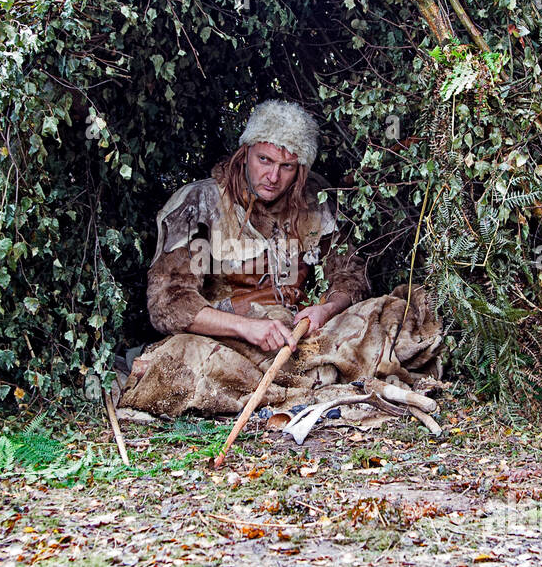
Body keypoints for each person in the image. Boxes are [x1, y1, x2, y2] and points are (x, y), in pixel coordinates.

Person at [120, 100, 442, 417]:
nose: (273, 176)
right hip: (232, 342)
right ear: (245, 152)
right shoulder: (199, 203)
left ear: (300, 169)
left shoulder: (314, 200)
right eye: (264, 160)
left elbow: (350, 275)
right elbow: (168, 304)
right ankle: (315, 383)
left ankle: (309, 380)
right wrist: (246, 328)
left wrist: (325, 309)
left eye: (286, 167)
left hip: (302, 339)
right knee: (184, 358)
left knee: (395, 313)